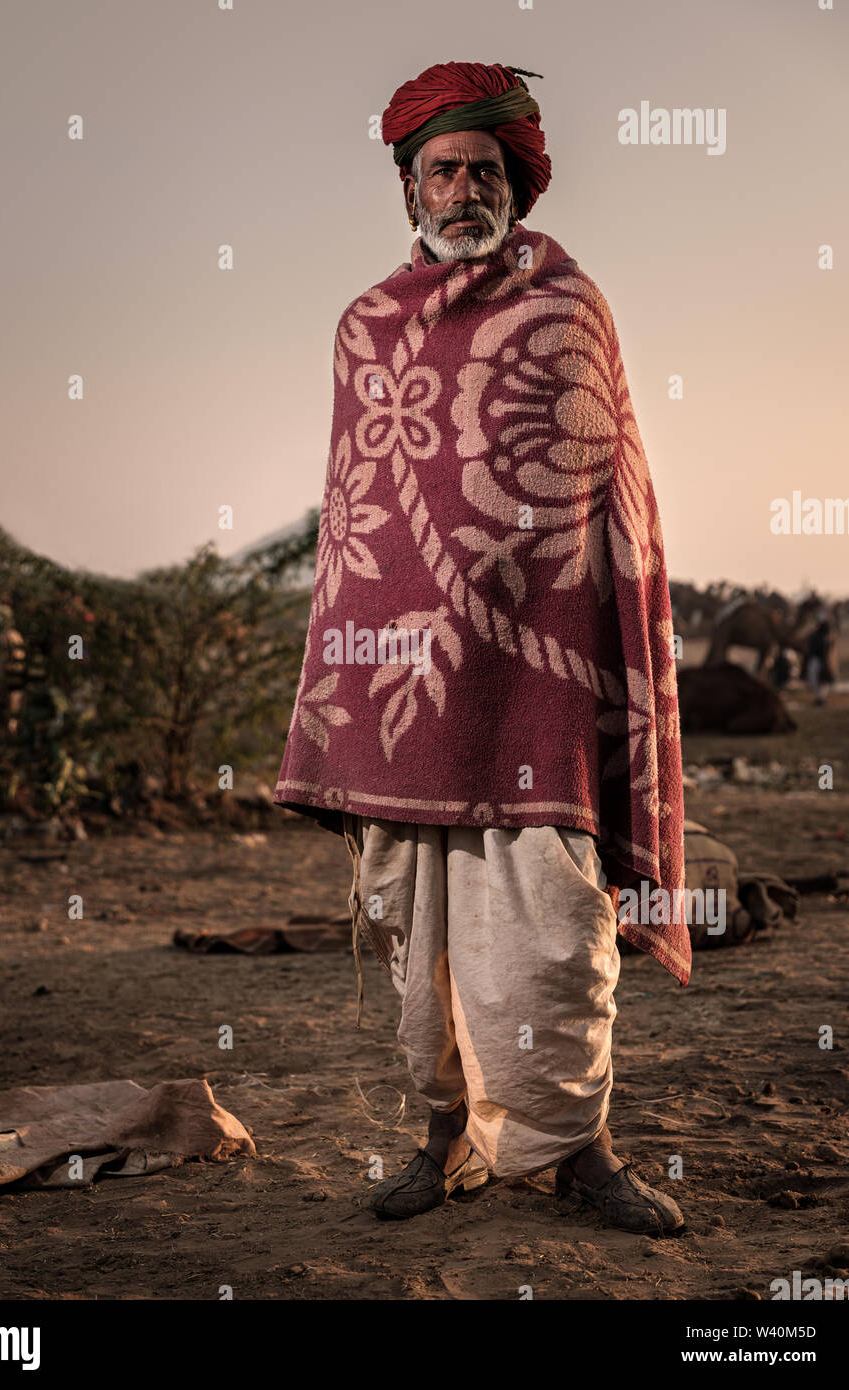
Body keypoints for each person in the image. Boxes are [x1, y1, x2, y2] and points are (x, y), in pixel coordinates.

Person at [274, 60, 690, 1235]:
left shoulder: (568, 308)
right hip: (406, 690)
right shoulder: (363, 329)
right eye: (442, 169)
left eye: (486, 168)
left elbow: (603, 505)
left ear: (520, 182)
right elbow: (354, 523)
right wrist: (346, 686)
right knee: (423, 943)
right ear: (408, 188)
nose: (465, 186)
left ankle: (580, 1153)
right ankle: (443, 1141)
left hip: (535, 689)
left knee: (554, 935)